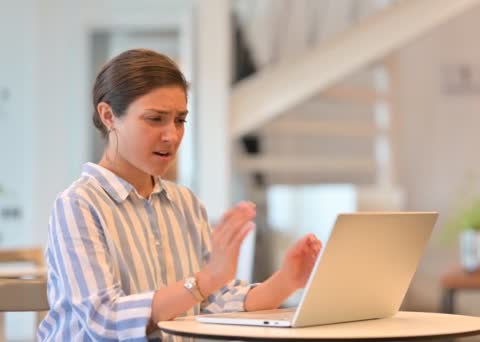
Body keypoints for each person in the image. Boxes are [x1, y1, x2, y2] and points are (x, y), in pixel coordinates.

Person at [37, 49, 322, 341]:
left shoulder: (184, 203)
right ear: (108, 115)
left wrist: (287, 281)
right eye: (155, 119)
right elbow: (104, 320)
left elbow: (211, 302)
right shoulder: (78, 205)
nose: (171, 135)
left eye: (179, 120)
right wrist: (205, 279)